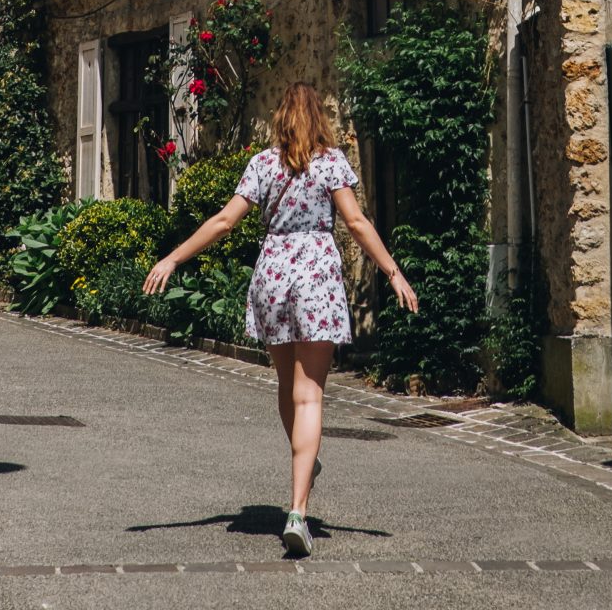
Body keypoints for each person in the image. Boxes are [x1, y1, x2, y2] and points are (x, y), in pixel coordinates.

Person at [144, 81, 418, 558]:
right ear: (319, 119)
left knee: (285, 387)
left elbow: (224, 221)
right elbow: (355, 221)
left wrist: (172, 258)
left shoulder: (263, 163)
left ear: (281, 118)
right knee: (309, 393)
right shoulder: (331, 161)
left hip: (272, 276)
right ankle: (297, 511)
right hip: (314, 277)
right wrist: (393, 272)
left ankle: (304, 462)